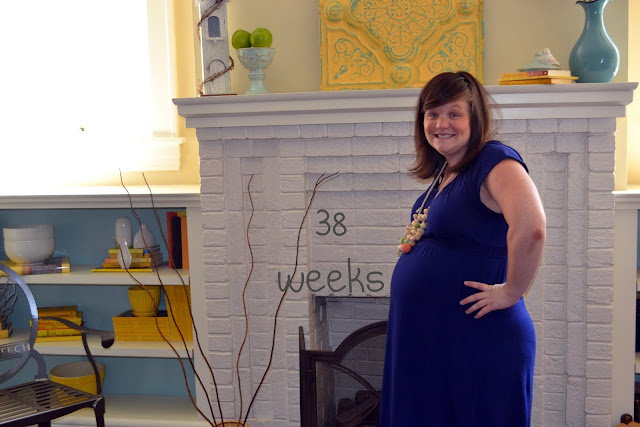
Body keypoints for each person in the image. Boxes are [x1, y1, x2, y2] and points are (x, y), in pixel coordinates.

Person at [379, 71, 546, 426]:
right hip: (437, 340)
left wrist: (512, 291)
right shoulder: (445, 172)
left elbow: (531, 227)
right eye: (432, 114)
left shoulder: (495, 160)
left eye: (454, 113)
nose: (441, 124)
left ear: (475, 117)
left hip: (476, 340)